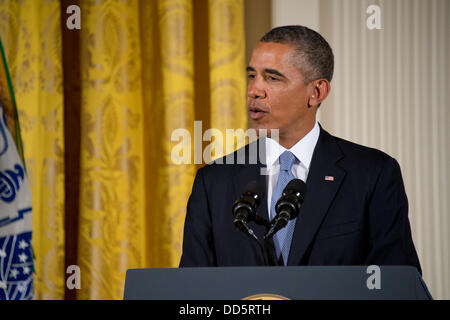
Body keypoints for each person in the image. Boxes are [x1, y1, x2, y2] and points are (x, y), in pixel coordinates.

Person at [179, 25, 421, 273]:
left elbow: (396, 284)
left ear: (316, 92)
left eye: (272, 78)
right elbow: (192, 290)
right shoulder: (213, 181)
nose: (254, 90)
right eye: (252, 76)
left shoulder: (373, 173)